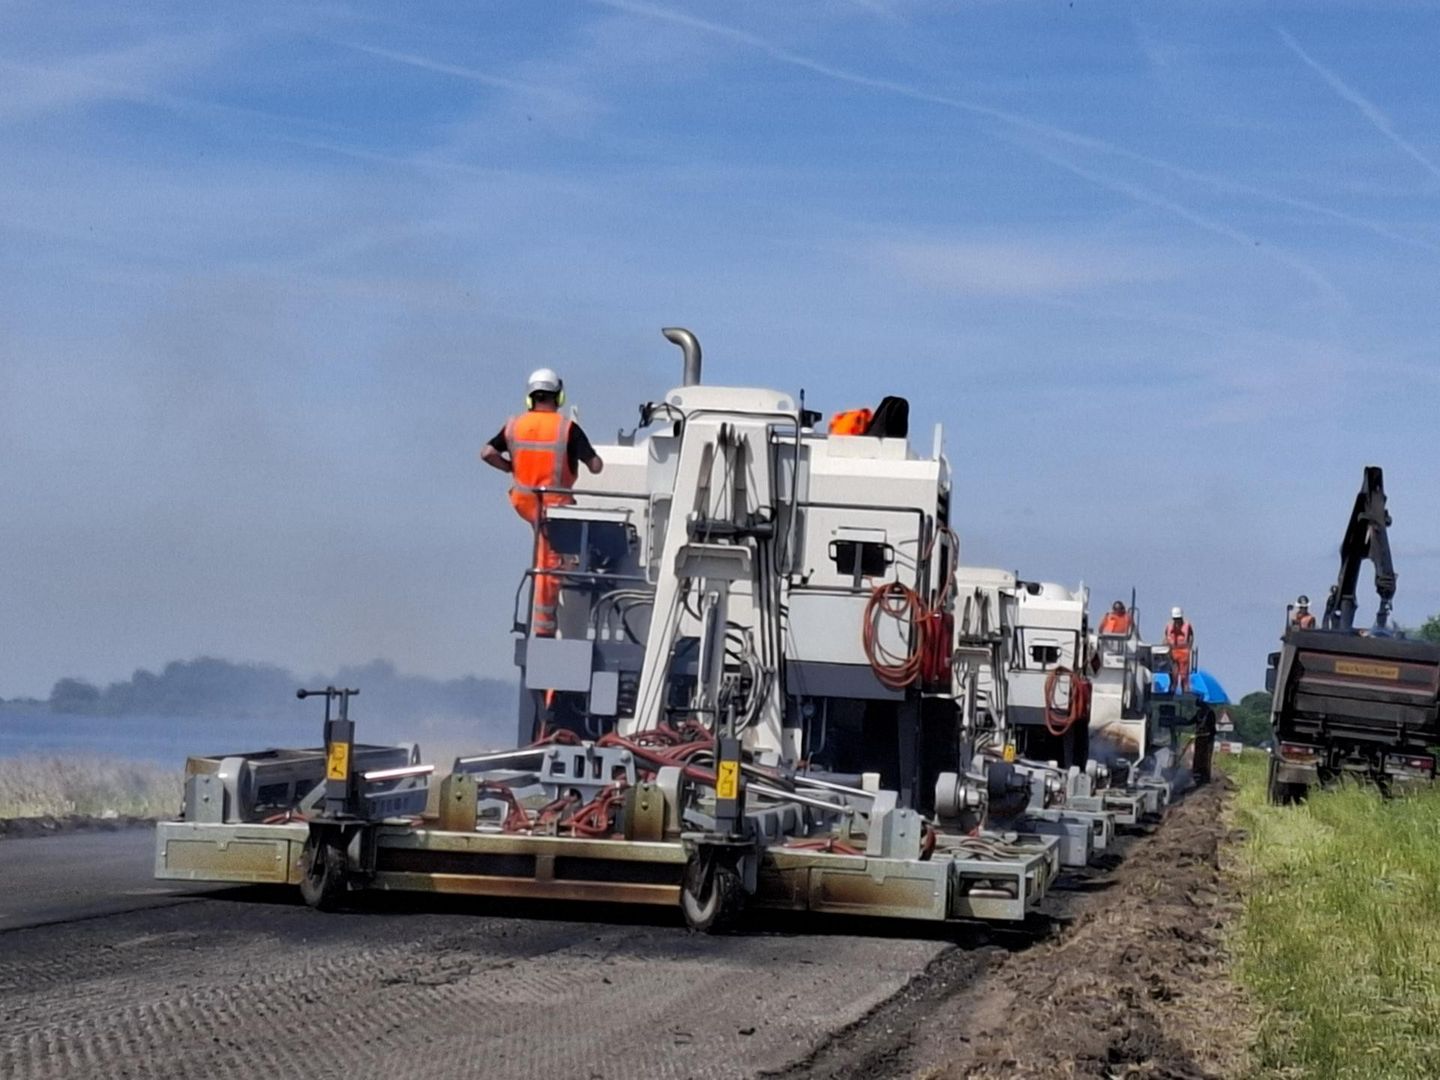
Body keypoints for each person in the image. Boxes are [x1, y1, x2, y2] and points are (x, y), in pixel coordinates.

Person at [481, 368, 603, 637]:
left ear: (530, 397)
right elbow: (595, 466)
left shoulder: (515, 426)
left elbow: (487, 453)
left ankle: (550, 614)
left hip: (525, 502)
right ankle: (544, 629)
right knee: (549, 564)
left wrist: (510, 467)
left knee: (548, 556)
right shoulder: (566, 428)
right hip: (555, 507)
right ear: (559, 397)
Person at [1164, 606, 1194, 693]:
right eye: (1175, 619)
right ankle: (1172, 690)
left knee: (1184, 676)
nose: (1177, 621)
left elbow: (1191, 636)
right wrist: (1165, 648)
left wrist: (1189, 647)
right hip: (1173, 652)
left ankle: (1185, 691)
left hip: (1184, 653)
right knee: (1174, 675)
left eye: (1178, 619)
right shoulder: (1169, 626)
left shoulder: (1187, 626)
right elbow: (1165, 637)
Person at [1190, 699, 1217, 784]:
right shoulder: (1199, 713)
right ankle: (1196, 774)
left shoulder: (1210, 713)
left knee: (1206, 757)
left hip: (1208, 739)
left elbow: (1212, 727)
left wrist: (1208, 734)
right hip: (1199, 737)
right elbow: (1191, 721)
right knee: (1197, 756)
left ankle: (1205, 776)